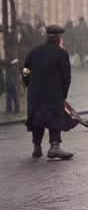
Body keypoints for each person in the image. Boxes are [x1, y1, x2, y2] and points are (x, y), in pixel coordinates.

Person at [22, 25, 74, 159]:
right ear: (58, 37)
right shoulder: (61, 53)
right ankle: (54, 147)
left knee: (37, 119)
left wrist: (28, 83)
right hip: (53, 94)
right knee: (54, 119)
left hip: (35, 93)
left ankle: (37, 147)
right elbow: (66, 77)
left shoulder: (35, 51)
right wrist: (63, 94)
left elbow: (25, 70)